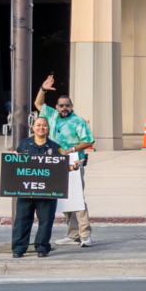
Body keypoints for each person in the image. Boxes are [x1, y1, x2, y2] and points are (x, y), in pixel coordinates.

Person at [34, 74, 95, 248]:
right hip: (55, 163)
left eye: (68, 105)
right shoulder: (51, 116)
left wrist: (71, 150)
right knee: (65, 198)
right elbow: (38, 104)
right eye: (61, 105)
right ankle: (73, 234)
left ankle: (85, 234)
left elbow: (89, 141)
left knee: (77, 198)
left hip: (74, 163)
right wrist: (43, 89)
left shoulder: (78, 121)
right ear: (57, 107)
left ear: (72, 106)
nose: (64, 108)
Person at [10, 117, 79, 258]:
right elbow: (16, 166)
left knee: (46, 221)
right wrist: (12, 160)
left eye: (44, 125)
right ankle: (18, 248)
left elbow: (61, 168)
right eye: (38, 125)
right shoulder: (23, 145)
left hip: (48, 191)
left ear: (48, 128)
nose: (41, 127)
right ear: (33, 127)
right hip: (26, 191)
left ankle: (42, 248)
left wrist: (73, 167)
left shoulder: (55, 147)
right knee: (22, 220)